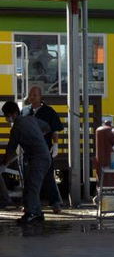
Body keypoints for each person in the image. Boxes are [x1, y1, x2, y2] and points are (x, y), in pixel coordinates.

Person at [2, 100, 51, 225]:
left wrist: (3, 165)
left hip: (38, 158)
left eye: (6, 116)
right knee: (31, 184)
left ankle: (32, 214)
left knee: (31, 186)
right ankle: (38, 213)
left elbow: (10, 150)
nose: (6, 118)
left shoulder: (16, 128)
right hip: (43, 156)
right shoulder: (30, 119)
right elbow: (46, 127)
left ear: (12, 114)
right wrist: (37, 137)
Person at [22, 85, 63, 213]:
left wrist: (55, 145)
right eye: (30, 95)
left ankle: (55, 203)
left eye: (35, 95)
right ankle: (29, 204)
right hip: (28, 149)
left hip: (44, 148)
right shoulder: (25, 111)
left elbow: (55, 130)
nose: (32, 97)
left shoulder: (49, 111)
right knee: (28, 177)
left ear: (41, 97)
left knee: (48, 176)